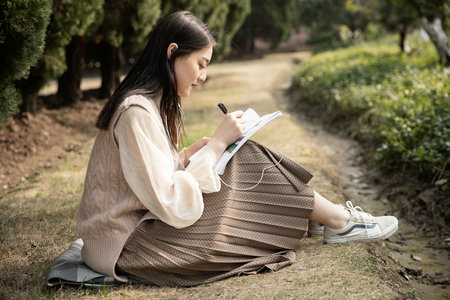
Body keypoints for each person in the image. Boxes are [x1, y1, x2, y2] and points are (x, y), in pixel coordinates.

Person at [76, 11, 398, 287]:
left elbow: (147, 175)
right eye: (200, 64)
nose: (202, 76)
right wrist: (215, 145)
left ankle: (329, 218)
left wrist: (189, 155)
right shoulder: (136, 110)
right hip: (130, 248)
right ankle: (337, 221)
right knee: (242, 157)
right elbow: (171, 202)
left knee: (240, 153)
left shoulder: (149, 104)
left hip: (139, 232)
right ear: (173, 52)